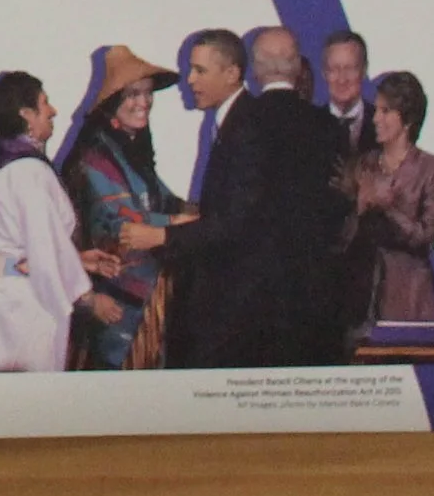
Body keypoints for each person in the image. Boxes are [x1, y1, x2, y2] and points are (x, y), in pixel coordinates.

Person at [137, 28, 345, 368]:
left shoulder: (248, 123)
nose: (188, 80)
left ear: (238, 72)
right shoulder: (325, 126)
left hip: (245, 312)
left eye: (200, 71)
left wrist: (163, 235)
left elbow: (239, 220)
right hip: (305, 309)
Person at [0, 72, 122, 374]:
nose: (53, 111)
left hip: (6, 299)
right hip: (25, 306)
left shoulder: (9, 171)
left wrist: (79, 260)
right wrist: (87, 298)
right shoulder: (30, 173)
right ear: (27, 115)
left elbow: (30, 248)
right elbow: (44, 246)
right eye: (45, 103)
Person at [62, 46, 194, 371]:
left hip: (143, 301)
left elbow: (165, 199)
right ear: (113, 103)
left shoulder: (130, 151)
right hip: (112, 304)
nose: (144, 102)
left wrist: (205, 213)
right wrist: (182, 221)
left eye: (148, 93)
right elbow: (123, 224)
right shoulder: (95, 157)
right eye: (133, 94)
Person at [345, 70, 434, 334]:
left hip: (410, 299)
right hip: (363, 298)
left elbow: (426, 237)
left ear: (408, 119)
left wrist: (387, 207)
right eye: (376, 110)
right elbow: (346, 239)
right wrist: (356, 206)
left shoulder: (430, 168)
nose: (376, 118)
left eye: (385, 111)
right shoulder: (364, 164)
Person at [321, 28, 377, 157]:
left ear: (364, 71)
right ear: (324, 73)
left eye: (350, 68)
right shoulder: (308, 127)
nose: (342, 79)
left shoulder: (383, 124)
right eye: (334, 69)